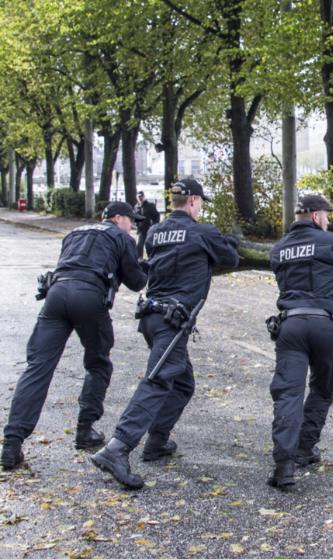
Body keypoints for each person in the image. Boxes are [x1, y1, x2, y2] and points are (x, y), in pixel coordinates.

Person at [90, 178, 239, 489]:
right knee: (157, 381)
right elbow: (230, 259)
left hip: (152, 317)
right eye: (200, 203)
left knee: (182, 383)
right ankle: (118, 447)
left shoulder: (156, 231)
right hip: (173, 320)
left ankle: (157, 441)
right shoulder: (202, 232)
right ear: (195, 201)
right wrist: (232, 241)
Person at [1, 202, 147, 471]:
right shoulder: (120, 236)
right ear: (117, 218)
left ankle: (12, 443)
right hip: (89, 297)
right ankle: (85, 429)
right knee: (98, 362)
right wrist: (146, 265)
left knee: (38, 367)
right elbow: (136, 281)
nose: (133, 225)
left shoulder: (75, 232)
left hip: (56, 295)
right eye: (131, 221)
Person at [265, 194, 333, 490]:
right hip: (324, 325)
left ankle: (283, 466)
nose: (329, 219)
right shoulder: (331, 242)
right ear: (314, 216)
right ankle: (305, 449)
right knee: (323, 387)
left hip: (291, 324)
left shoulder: (278, 248)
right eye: (326, 214)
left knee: (288, 394)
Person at [134, 191, 160, 260]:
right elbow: (135, 217)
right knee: (139, 245)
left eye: (141, 196)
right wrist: (136, 225)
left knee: (150, 245)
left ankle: (152, 259)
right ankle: (140, 259)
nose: (140, 198)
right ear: (136, 197)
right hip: (141, 230)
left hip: (150, 229)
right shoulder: (136, 207)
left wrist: (154, 225)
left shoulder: (150, 205)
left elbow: (156, 216)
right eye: (138, 197)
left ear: (144, 196)